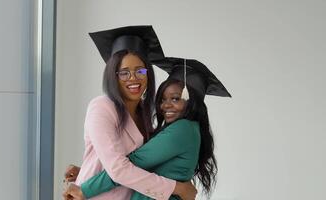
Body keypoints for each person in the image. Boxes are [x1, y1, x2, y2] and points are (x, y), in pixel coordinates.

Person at [64, 57, 231, 199]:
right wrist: (87, 170)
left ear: (191, 101)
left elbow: (131, 165)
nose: (166, 106)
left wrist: (84, 190)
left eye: (175, 99)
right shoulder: (188, 130)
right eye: (163, 99)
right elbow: (132, 169)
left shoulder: (182, 130)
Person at [63, 26, 197, 200]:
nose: (133, 78)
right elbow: (118, 168)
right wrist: (176, 188)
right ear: (113, 75)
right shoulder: (102, 107)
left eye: (140, 71)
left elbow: (134, 165)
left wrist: (85, 171)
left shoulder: (144, 113)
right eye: (124, 73)